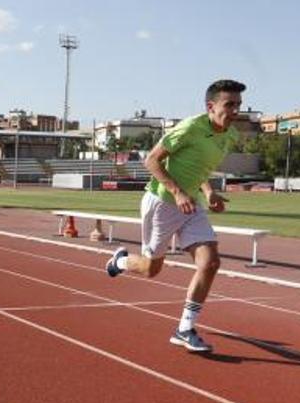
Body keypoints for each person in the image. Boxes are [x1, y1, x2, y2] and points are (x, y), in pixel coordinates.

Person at [105, 79, 246, 353]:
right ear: (211, 106)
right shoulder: (191, 128)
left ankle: (184, 329)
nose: (235, 111)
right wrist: (177, 192)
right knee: (150, 269)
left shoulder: (230, 136)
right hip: (162, 203)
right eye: (229, 104)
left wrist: (208, 192)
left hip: (191, 204)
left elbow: (201, 168)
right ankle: (121, 261)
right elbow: (151, 161)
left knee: (211, 263)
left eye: (238, 105)